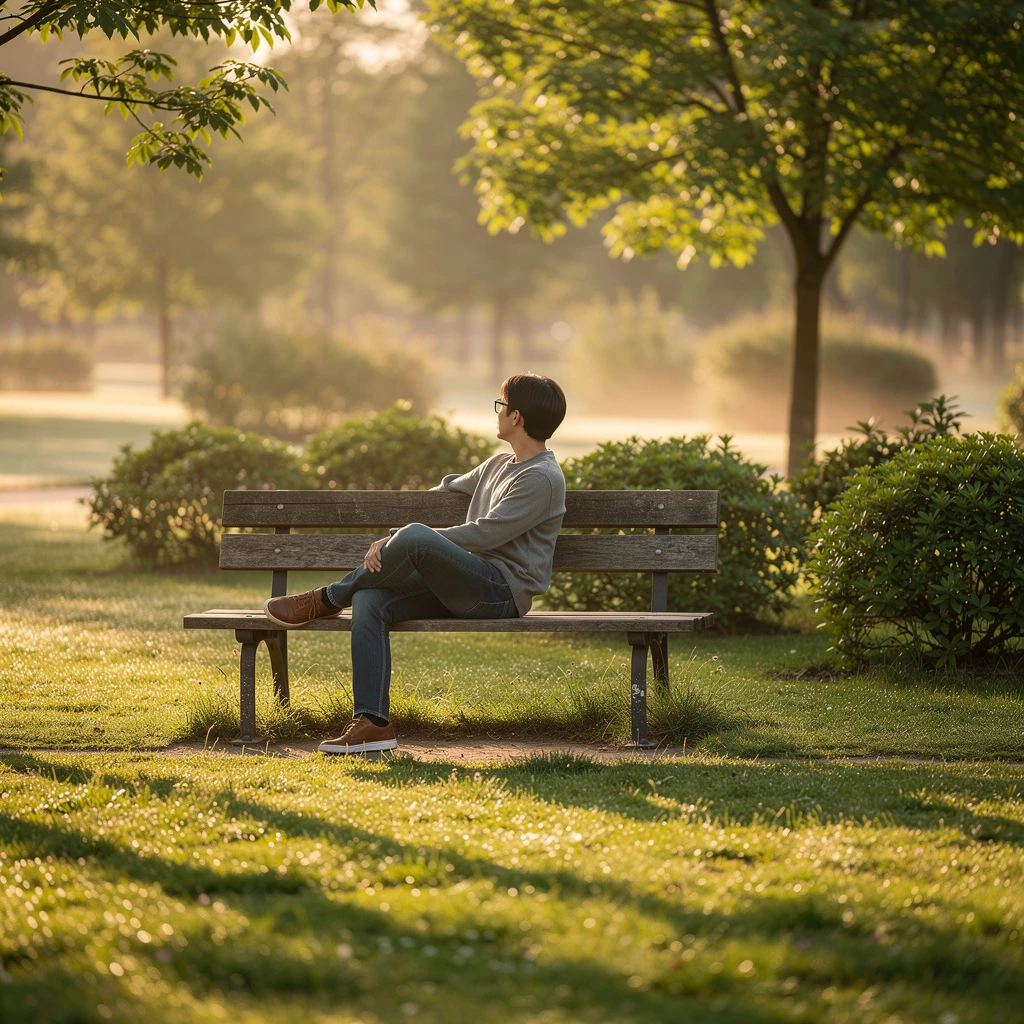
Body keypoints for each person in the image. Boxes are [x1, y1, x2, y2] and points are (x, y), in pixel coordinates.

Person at [264, 372, 567, 756]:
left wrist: (403, 536)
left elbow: (485, 535)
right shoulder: (498, 465)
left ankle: (327, 598)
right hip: (462, 582)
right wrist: (404, 536)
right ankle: (373, 723)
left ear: (516, 417)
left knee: (415, 537)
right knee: (369, 599)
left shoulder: (542, 478)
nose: (498, 412)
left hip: (500, 591)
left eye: (501, 405)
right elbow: (445, 490)